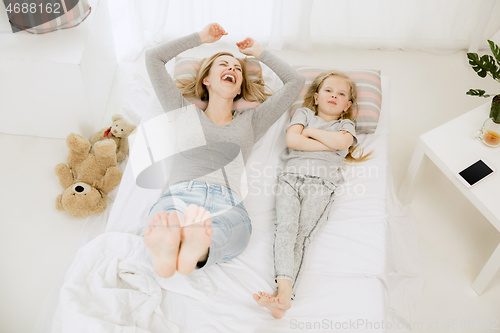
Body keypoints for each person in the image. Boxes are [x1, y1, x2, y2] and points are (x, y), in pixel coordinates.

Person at [142, 23, 305, 279]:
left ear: (239, 88)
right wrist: (200, 37)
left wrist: (260, 53)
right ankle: (176, 246)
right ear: (206, 79)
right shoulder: (182, 111)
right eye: (224, 64)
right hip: (182, 195)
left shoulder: (251, 121)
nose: (232, 68)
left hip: (227, 203)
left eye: (238, 69)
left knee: (232, 232)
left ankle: (194, 249)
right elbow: (154, 58)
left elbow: (296, 81)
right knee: (170, 219)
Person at [253, 70, 372, 319]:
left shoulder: (345, 125)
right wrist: (324, 140)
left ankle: (283, 295)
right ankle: (283, 294)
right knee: (285, 229)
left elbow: (342, 143)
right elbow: (293, 141)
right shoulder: (304, 114)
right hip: (291, 180)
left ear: (347, 105)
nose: (334, 96)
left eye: (341, 94)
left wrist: (310, 133)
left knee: (302, 237)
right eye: (328, 90)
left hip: (322, 184)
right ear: (316, 97)